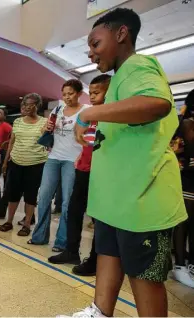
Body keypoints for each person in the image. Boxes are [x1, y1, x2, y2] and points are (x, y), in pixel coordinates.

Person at [62, 8, 187, 317]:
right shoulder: (120, 81)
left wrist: (87, 113)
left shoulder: (138, 65)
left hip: (142, 199)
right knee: (108, 253)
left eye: (95, 43)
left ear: (121, 34)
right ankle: (100, 311)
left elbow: (156, 104)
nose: (91, 53)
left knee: (144, 276)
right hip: (117, 199)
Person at [48, 74, 111, 277]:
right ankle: (71, 251)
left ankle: (94, 260)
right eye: (90, 92)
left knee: (98, 217)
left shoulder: (111, 114)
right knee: (74, 211)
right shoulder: (91, 114)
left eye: (96, 92)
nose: (92, 97)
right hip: (83, 168)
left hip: (100, 172)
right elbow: (83, 139)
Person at [30, 79, 91, 250]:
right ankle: (39, 236)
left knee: (67, 203)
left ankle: (62, 242)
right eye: (64, 94)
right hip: (54, 157)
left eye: (70, 93)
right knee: (43, 198)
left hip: (73, 160)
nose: (67, 97)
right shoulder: (57, 109)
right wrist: (47, 127)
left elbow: (91, 135)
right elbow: (44, 132)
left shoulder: (87, 111)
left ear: (79, 93)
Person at [0, 93, 48, 236]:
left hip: (36, 163)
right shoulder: (18, 121)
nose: (26, 107)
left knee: (30, 195)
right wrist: (5, 162)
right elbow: (12, 142)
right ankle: (9, 221)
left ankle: (27, 224)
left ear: (38, 106)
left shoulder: (44, 122)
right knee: (13, 193)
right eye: (25, 104)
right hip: (16, 162)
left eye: (30, 104)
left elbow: (48, 141)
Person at [172, 89, 194, 288]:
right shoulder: (186, 124)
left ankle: (190, 263)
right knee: (184, 221)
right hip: (186, 177)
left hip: (188, 176)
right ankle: (179, 265)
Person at [0, 109, 12, 219]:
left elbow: (14, 137)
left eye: (0, 113)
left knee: (5, 182)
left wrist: (7, 142)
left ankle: (1, 210)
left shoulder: (6, 126)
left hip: (4, 153)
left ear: (4, 116)